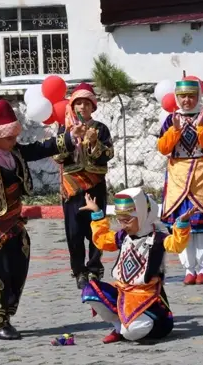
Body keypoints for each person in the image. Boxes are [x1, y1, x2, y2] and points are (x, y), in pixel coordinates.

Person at [0, 99, 82, 340]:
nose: (15, 141)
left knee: (19, 268)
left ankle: (7, 312)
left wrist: (67, 137)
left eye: (15, 137)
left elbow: (40, 148)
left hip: (15, 223)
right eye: (9, 138)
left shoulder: (15, 152)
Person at [80, 188, 192, 344]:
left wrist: (182, 224)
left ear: (142, 215)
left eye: (128, 220)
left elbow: (176, 244)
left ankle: (134, 327)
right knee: (90, 291)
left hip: (147, 298)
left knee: (131, 333)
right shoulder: (123, 236)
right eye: (120, 219)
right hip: (123, 292)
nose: (123, 224)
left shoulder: (157, 238)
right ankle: (118, 326)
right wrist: (97, 213)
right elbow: (102, 240)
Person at [158, 76, 203, 285]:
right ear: (177, 98)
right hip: (178, 176)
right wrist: (175, 131)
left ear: (198, 96)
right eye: (182, 96)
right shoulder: (171, 119)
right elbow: (163, 148)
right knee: (183, 224)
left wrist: (200, 128)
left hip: (202, 176)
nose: (187, 100)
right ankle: (189, 269)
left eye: (191, 96)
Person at [53, 83, 114, 289]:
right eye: (78, 103)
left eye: (86, 103)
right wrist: (71, 139)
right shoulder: (64, 129)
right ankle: (79, 270)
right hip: (72, 187)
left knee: (96, 227)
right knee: (74, 231)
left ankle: (95, 267)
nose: (82, 107)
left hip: (95, 185)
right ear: (72, 106)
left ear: (92, 107)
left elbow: (108, 155)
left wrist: (95, 143)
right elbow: (57, 156)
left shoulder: (101, 128)